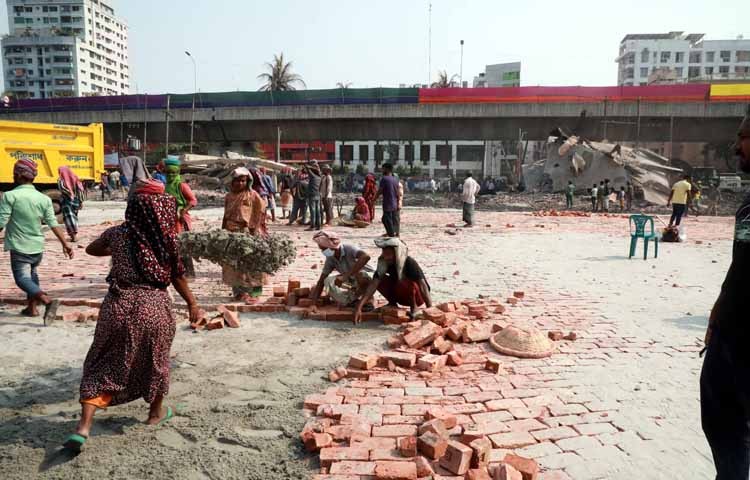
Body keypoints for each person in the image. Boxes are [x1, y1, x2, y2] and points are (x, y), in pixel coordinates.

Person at [63, 179, 201, 453]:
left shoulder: (118, 234)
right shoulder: (167, 239)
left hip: (118, 305)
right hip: (154, 307)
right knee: (157, 361)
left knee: (101, 362)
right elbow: (178, 276)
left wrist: (117, 249)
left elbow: (91, 249)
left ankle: (83, 427)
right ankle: (155, 414)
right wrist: (193, 305)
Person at [701, 111, 750, 480]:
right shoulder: (748, 206)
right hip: (731, 335)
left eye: (743, 137)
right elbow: (741, 263)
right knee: (721, 422)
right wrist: (718, 312)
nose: (736, 146)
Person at [0, 158, 74, 322]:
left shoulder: (10, 196)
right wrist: (65, 244)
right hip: (38, 247)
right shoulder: (44, 199)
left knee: (22, 278)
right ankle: (31, 309)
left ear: (18, 175)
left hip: (20, 246)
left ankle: (47, 301)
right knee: (32, 275)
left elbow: (1, 221)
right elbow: (53, 223)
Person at [354, 237, 432, 324]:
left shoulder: (409, 262)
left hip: (417, 297)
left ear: (397, 253)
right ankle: (392, 304)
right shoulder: (384, 262)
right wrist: (359, 307)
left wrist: (430, 311)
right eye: (384, 253)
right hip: (400, 294)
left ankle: (414, 308)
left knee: (402, 282)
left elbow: (423, 287)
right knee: (380, 279)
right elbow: (373, 285)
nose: (386, 257)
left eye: (389, 254)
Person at [222, 167, 268, 301]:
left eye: (243, 181)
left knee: (252, 262)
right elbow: (225, 215)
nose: (240, 184)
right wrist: (223, 231)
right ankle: (239, 291)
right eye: (237, 181)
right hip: (231, 232)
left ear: (248, 181)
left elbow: (260, 212)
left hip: (248, 232)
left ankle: (255, 290)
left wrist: (254, 230)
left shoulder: (252, 195)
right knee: (234, 264)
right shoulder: (229, 196)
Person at [309, 231, 373, 308]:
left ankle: (368, 299)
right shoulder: (330, 258)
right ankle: (350, 301)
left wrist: (346, 275)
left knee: (361, 275)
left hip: (369, 278)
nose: (322, 251)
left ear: (331, 247)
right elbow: (321, 280)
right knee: (328, 281)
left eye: (323, 249)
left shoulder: (349, 248)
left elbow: (366, 257)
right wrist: (313, 304)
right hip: (352, 282)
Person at [164, 156, 197, 277]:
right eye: (168, 173)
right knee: (170, 244)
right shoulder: (165, 185)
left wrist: (183, 211)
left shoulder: (181, 186)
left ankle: (187, 273)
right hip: (168, 219)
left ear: (178, 172)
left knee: (182, 244)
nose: (170, 175)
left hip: (180, 219)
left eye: (173, 173)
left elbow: (193, 201)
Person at [58, 166, 86, 242]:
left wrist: (70, 194)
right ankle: (74, 235)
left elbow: (63, 189)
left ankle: (73, 236)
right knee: (75, 217)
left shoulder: (61, 180)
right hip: (76, 202)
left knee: (69, 218)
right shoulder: (75, 178)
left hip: (67, 202)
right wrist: (81, 201)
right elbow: (81, 190)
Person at [375, 163, 400, 237]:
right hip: (394, 203)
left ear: (387, 169)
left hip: (388, 203)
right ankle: (392, 233)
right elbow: (398, 193)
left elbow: (380, 191)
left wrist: (374, 199)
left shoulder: (384, 179)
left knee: (386, 219)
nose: (382, 170)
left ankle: (391, 235)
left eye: (383, 168)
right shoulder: (395, 179)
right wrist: (398, 202)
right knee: (388, 219)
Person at [305, 160, 323, 231]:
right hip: (318, 195)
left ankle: (312, 226)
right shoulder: (319, 177)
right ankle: (318, 226)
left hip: (312, 195)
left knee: (312, 211)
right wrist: (315, 167)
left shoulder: (313, 176)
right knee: (317, 211)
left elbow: (307, 168)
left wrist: (311, 166)